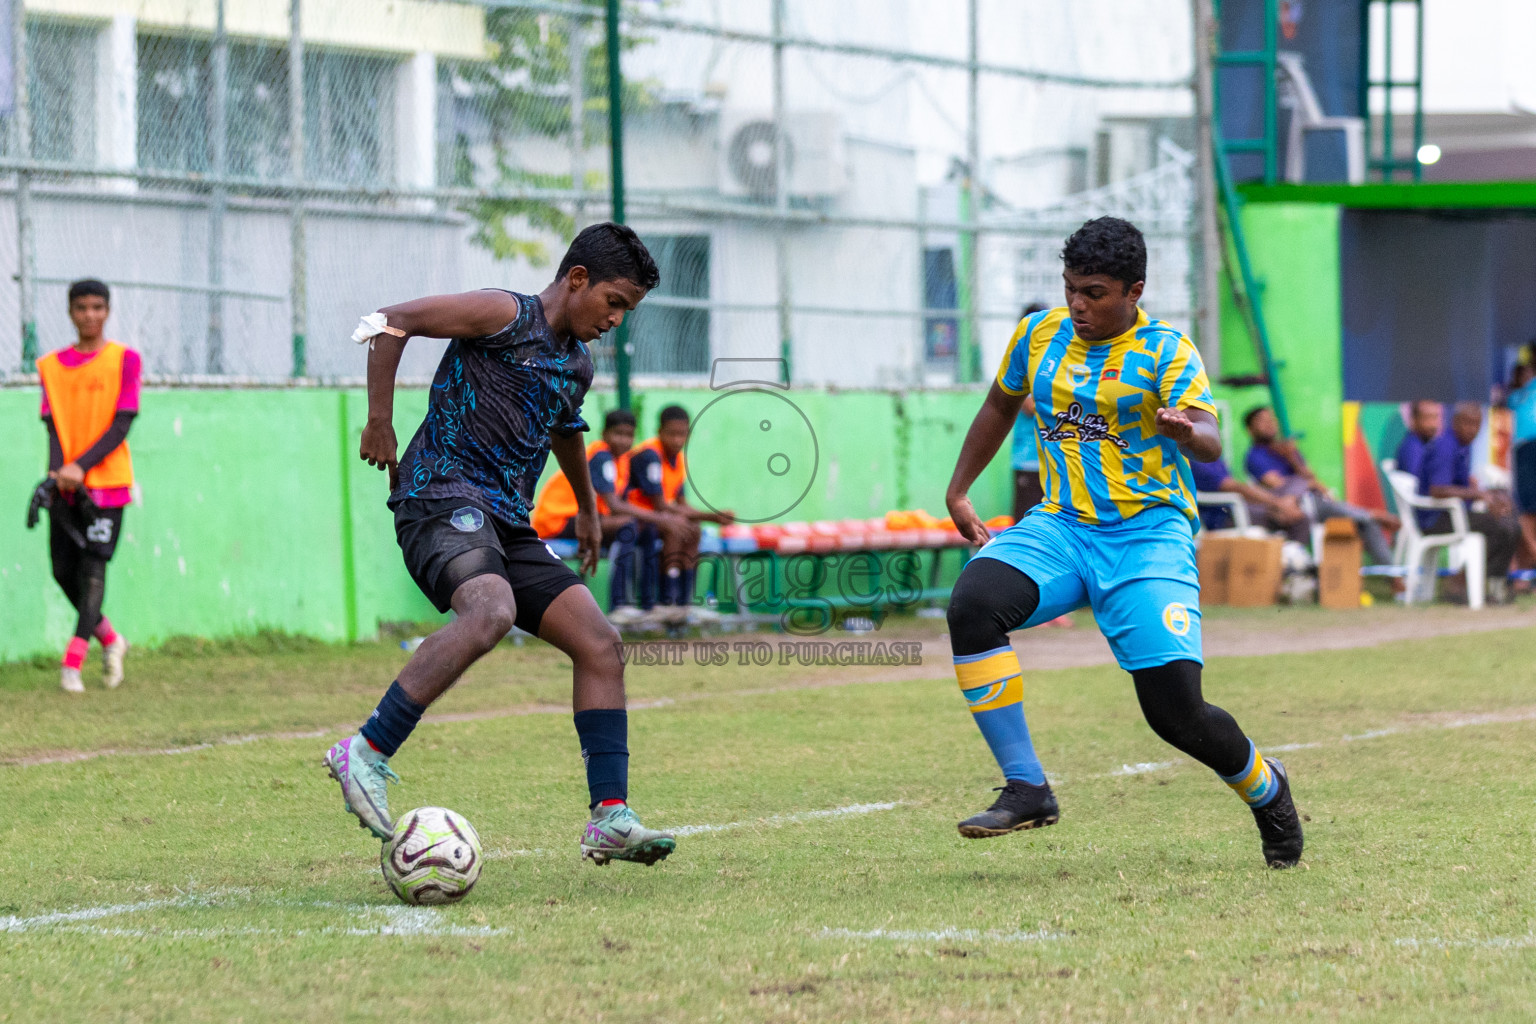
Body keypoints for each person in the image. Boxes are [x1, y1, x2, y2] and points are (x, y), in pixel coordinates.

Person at [942, 216, 1303, 870]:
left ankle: (1266, 788)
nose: (1078, 304)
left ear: (1134, 290)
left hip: (1146, 537)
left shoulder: (1167, 350)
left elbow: (1211, 437)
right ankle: (1027, 787)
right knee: (972, 605)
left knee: (1176, 716)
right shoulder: (1038, 335)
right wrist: (960, 489)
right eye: (1071, 287)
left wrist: (1186, 432)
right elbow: (1000, 404)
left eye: (1095, 292)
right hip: (1062, 526)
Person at [325, 222, 678, 867]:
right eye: (615, 303)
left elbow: (566, 430)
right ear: (577, 280)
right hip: (440, 495)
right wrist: (380, 419)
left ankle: (608, 816)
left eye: (628, 310)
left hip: (507, 520)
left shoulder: (577, 362)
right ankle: (367, 751)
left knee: (599, 643)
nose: (617, 321)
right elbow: (389, 321)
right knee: (490, 610)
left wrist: (591, 515)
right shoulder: (503, 315)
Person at [36, 279, 137, 694]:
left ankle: (73, 659)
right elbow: (52, 425)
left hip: (107, 484)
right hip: (66, 484)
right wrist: (61, 471)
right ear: (70, 312)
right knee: (63, 571)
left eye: (97, 307)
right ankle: (112, 640)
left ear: (107, 311)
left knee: (93, 570)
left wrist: (82, 466)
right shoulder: (50, 366)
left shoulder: (125, 359)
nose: (89, 315)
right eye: (81, 308)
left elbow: (123, 422)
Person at [530, 408, 647, 622]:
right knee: (627, 527)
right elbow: (614, 505)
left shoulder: (620, 461)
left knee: (639, 529)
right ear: (604, 434)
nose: (624, 440)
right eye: (618, 434)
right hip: (558, 519)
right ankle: (619, 605)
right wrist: (661, 518)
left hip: (584, 519)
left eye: (629, 435)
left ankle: (649, 606)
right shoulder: (600, 455)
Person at [1243, 405, 1398, 565]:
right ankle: (1370, 514)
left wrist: (1291, 458)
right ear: (1250, 429)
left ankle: (1393, 576)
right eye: (1262, 421)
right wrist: (1306, 484)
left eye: (1271, 419)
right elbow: (1280, 486)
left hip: (1314, 500)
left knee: (1366, 523)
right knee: (1355, 514)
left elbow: (1311, 478)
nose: (1269, 424)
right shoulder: (1255, 456)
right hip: (1294, 507)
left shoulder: (1288, 451)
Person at [625, 406, 736, 622]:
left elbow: (681, 503)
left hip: (659, 520)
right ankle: (667, 601)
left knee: (692, 530)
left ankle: (685, 602)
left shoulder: (679, 459)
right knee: (676, 528)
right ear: (660, 431)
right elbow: (660, 506)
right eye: (671, 434)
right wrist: (711, 516)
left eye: (682, 434)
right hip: (639, 520)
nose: (677, 440)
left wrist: (711, 516)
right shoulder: (649, 455)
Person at [1414, 402, 1520, 604]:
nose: (1472, 429)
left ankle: (1484, 584)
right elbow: (1438, 490)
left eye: (1476, 424)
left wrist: (1493, 495)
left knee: (1510, 521)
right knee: (1501, 526)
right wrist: (1479, 495)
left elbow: (1463, 485)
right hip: (1435, 518)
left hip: (1454, 513)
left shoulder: (1464, 446)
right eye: (1467, 423)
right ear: (1455, 423)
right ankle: (1460, 582)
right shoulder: (1445, 446)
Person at [1189, 453, 1308, 540]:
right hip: (1225, 516)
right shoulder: (1197, 458)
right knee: (1299, 518)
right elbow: (1232, 487)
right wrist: (1276, 503)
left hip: (1240, 507)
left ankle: (1286, 561)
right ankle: (1287, 564)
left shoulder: (1210, 454)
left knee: (1298, 488)